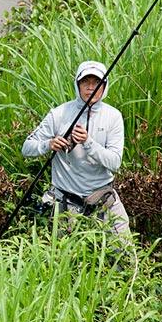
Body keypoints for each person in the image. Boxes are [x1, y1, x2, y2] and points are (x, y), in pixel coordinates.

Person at [21, 60, 130, 236]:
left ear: (105, 86)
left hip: (103, 198)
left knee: (125, 256)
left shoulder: (113, 116)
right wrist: (48, 145)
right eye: (85, 82)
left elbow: (115, 163)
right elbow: (26, 148)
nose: (90, 87)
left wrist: (88, 142)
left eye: (96, 83)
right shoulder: (58, 114)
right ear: (77, 85)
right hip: (65, 200)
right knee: (63, 259)